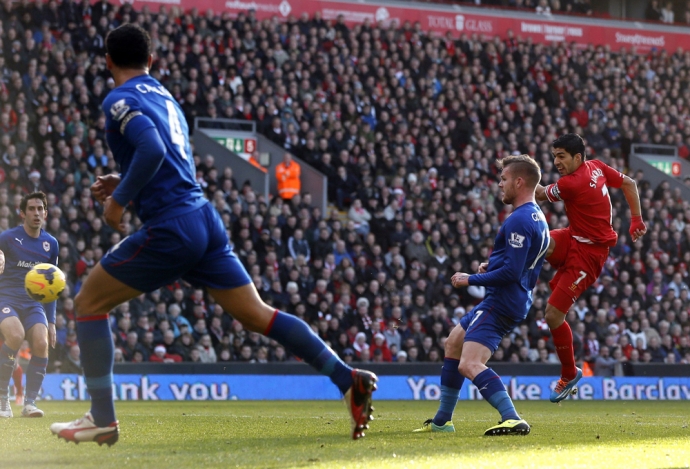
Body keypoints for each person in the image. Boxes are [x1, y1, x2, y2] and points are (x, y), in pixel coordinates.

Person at [49, 24, 377, 446]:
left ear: (108, 60)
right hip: (203, 218)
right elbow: (168, 158)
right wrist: (124, 179)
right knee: (257, 314)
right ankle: (347, 378)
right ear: (151, 60)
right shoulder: (164, 95)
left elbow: (153, 149)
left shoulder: (119, 98)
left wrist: (119, 200)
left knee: (88, 303)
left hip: (171, 226)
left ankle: (102, 418)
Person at [413, 154, 549, 435]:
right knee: (453, 343)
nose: (500, 184)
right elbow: (525, 263)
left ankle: (512, 417)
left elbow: (512, 273)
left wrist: (470, 279)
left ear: (519, 182)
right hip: (511, 297)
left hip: (502, 301)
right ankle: (442, 421)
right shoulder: (537, 217)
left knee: (470, 363)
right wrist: (494, 265)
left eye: (504, 179)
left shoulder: (519, 220)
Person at [535, 133, 646, 402]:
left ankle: (569, 373)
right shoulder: (596, 166)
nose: (556, 162)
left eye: (561, 156)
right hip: (574, 236)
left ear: (577, 157)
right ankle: (505, 272)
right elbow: (629, 183)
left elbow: (537, 193)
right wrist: (636, 219)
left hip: (590, 255)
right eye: (554, 156)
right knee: (539, 242)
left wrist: (519, 172)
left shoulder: (571, 183)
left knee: (553, 315)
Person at [0, 192, 60, 418]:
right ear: (22, 213)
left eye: (40, 209)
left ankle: (30, 403)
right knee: (15, 336)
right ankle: (2, 398)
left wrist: (51, 321)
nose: (36, 213)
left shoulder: (51, 244)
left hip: (33, 303)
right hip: (6, 298)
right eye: (32, 209)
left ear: (46, 213)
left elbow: (52, 285)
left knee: (42, 343)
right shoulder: (7, 238)